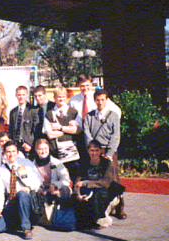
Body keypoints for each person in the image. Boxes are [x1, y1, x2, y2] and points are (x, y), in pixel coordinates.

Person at [83, 89, 127, 219]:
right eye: (97, 100)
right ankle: (99, 205)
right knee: (96, 177)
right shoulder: (89, 116)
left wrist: (109, 153)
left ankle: (119, 207)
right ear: (94, 101)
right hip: (95, 151)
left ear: (107, 100)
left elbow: (115, 136)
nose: (100, 102)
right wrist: (93, 149)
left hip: (109, 151)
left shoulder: (113, 116)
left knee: (113, 179)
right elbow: (87, 132)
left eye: (102, 99)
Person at [0, 141, 42, 240]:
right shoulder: (1, 169)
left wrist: (29, 187)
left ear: (17, 151)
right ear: (4, 152)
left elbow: (38, 179)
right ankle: (17, 222)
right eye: (8, 152)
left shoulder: (26, 163)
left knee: (22, 194)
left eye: (13, 151)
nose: (11, 154)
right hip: (11, 202)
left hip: (25, 200)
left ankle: (26, 228)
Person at [74, 140, 125, 229]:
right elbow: (77, 182)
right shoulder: (83, 164)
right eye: (92, 150)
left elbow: (105, 183)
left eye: (96, 150)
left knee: (98, 198)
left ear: (100, 151)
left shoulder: (108, 164)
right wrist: (77, 194)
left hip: (106, 192)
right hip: (90, 192)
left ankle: (104, 215)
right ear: (88, 151)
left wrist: (86, 183)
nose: (94, 153)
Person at [44, 86, 82, 181]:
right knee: (58, 177)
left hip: (71, 151)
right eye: (59, 97)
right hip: (55, 150)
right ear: (54, 98)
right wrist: (68, 130)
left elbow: (77, 131)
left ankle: (75, 194)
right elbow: (50, 134)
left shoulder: (73, 112)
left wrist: (60, 128)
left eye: (63, 96)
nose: (61, 99)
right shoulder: (49, 114)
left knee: (75, 176)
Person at [8, 86, 39, 158]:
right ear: (16, 95)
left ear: (27, 95)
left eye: (23, 94)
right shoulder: (13, 112)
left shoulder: (34, 110)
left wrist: (30, 144)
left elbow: (37, 131)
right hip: (16, 148)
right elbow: (11, 130)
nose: (21, 97)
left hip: (28, 148)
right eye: (19, 95)